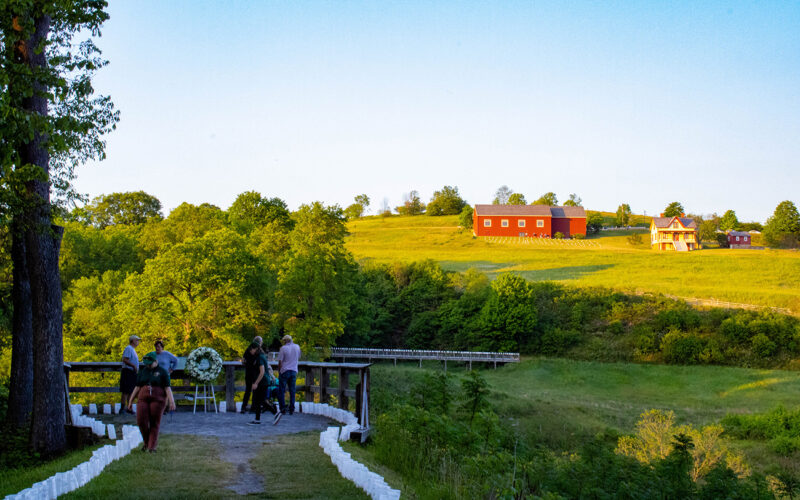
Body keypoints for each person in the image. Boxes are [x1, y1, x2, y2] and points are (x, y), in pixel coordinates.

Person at [128, 352, 176, 452]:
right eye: (146, 364)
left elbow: (167, 388)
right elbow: (137, 387)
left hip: (157, 399)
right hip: (143, 398)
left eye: (150, 363)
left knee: (154, 422)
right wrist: (130, 401)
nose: (148, 366)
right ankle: (146, 442)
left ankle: (151, 447)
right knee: (141, 421)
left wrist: (171, 401)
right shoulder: (143, 371)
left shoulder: (163, 372)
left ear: (156, 361)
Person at [247, 342, 278, 425]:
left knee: (261, 400)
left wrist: (256, 383)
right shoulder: (260, 357)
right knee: (258, 400)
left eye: (251, 349)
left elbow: (262, 372)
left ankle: (275, 412)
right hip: (262, 381)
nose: (250, 351)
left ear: (255, 349)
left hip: (262, 382)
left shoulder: (260, 358)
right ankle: (257, 419)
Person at [277, 335, 301, 416]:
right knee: (292, 390)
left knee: (282, 390)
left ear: (285, 341)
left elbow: (280, 361)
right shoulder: (297, 347)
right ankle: (292, 408)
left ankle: (282, 408)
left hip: (285, 370)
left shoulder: (283, 348)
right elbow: (298, 357)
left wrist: (280, 371)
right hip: (294, 370)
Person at [240, 336, 263, 413]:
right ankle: (253, 407)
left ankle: (243, 407)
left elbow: (243, 360)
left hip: (248, 372)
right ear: (260, 342)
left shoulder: (248, 349)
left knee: (247, 390)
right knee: (255, 391)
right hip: (256, 373)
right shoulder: (259, 350)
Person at [120, 335, 140, 414]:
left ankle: (129, 408)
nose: (138, 342)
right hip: (127, 371)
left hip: (132, 372)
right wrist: (133, 365)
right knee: (125, 391)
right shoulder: (128, 348)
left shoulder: (133, 350)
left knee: (131, 391)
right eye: (137, 340)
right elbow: (125, 359)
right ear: (133, 341)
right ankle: (122, 409)